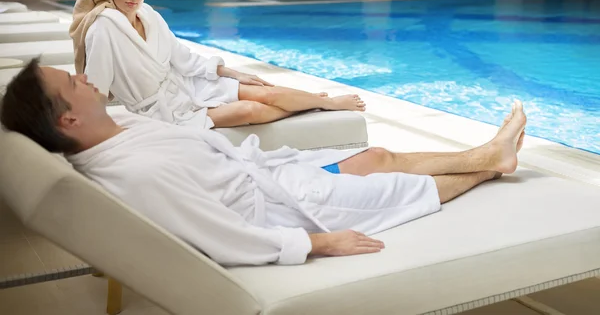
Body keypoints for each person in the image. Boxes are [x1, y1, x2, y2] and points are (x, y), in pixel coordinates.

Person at [0, 60, 527, 266]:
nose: (83, 77)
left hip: (274, 176)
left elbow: (194, 140)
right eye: (72, 83)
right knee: (399, 190)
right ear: (67, 121)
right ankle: (489, 167)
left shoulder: (121, 131)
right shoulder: (135, 175)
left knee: (380, 156)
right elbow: (217, 235)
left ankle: (487, 154)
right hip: (282, 214)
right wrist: (316, 243)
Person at [69, 0, 366, 130]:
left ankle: (322, 101)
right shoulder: (103, 28)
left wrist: (231, 72)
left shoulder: (150, 16)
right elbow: (95, 91)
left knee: (267, 91)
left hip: (187, 85)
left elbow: (183, 59)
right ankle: (307, 106)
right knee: (251, 108)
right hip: (162, 114)